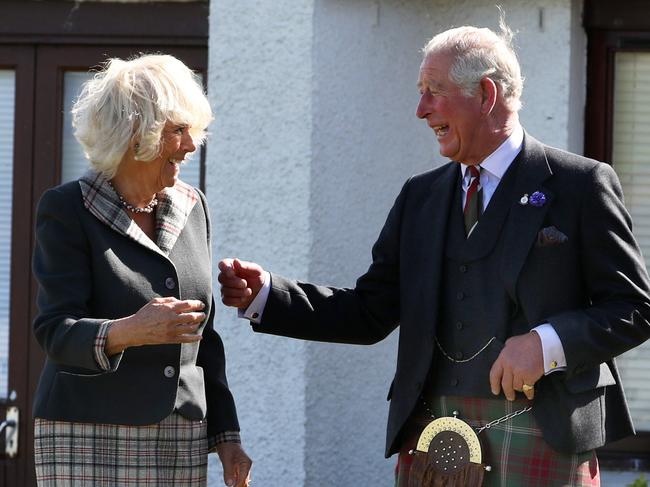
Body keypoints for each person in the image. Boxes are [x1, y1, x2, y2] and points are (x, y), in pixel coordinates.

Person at [218, 20, 650, 487]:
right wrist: (267, 296)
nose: (421, 110)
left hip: (543, 431)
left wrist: (547, 344)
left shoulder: (580, 184)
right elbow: (369, 312)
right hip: (432, 433)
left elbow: (633, 309)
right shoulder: (419, 197)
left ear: (486, 95)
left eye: (433, 91)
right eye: (420, 91)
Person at [32, 54, 251, 487]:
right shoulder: (67, 209)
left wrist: (227, 437)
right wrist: (130, 331)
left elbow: (204, 335)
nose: (192, 145)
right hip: (86, 437)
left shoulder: (193, 207)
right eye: (178, 131)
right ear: (136, 134)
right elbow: (55, 330)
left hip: (180, 437)